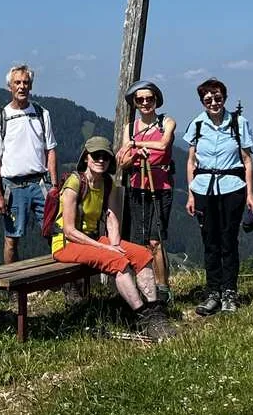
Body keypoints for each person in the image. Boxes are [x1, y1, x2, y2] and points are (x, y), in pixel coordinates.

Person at [51, 136, 175, 341]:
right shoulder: (74, 182)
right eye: (96, 156)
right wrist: (108, 249)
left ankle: (155, 310)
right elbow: (69, 231)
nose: (101, 160)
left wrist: (115, 244)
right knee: (117, 262)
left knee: (142, 255)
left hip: (92, 240)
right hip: (66, 244)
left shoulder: (107, 183)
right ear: (86, 158)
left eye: (105, 157)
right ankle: (142, 316)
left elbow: (112, 219)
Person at [184, 77, 253, 316]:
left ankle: (229, 293)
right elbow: (191, 161)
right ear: (202, 102)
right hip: (204, 189)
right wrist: (190, 194)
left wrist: (250, 193)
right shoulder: (197, 124)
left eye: (218, 98)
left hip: (232, 188)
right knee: (210, 242)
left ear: (224, 98)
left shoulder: (239, 122)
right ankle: (212, 293)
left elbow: (247, 160)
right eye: (208, 99)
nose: (214, 103)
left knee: (228, 241)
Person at [0, 65, 57, 264]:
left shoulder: (42, 114)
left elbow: (50, 149)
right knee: (12, 240)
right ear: (9, 86)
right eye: (17, 83)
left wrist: (54, 185)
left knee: (54, 234)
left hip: (40, 185)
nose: (21, 87)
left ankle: (62, 284)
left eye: (25, 82)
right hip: (12, 186)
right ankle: (12, 290)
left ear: (31, 85)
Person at [116, 80, 176, 303]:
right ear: (134, 103)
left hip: (161, 187)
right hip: (137, 186)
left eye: (149, 99)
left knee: (155, 240)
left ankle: (163, 287)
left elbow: (163, 145)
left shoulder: (166, 122)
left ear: (156, 100)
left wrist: (134, 144)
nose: (145, 103)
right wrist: (132, 152)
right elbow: (122, 161)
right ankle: (145, 286)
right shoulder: (129, 127)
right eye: (140, 100)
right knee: (139, 241)